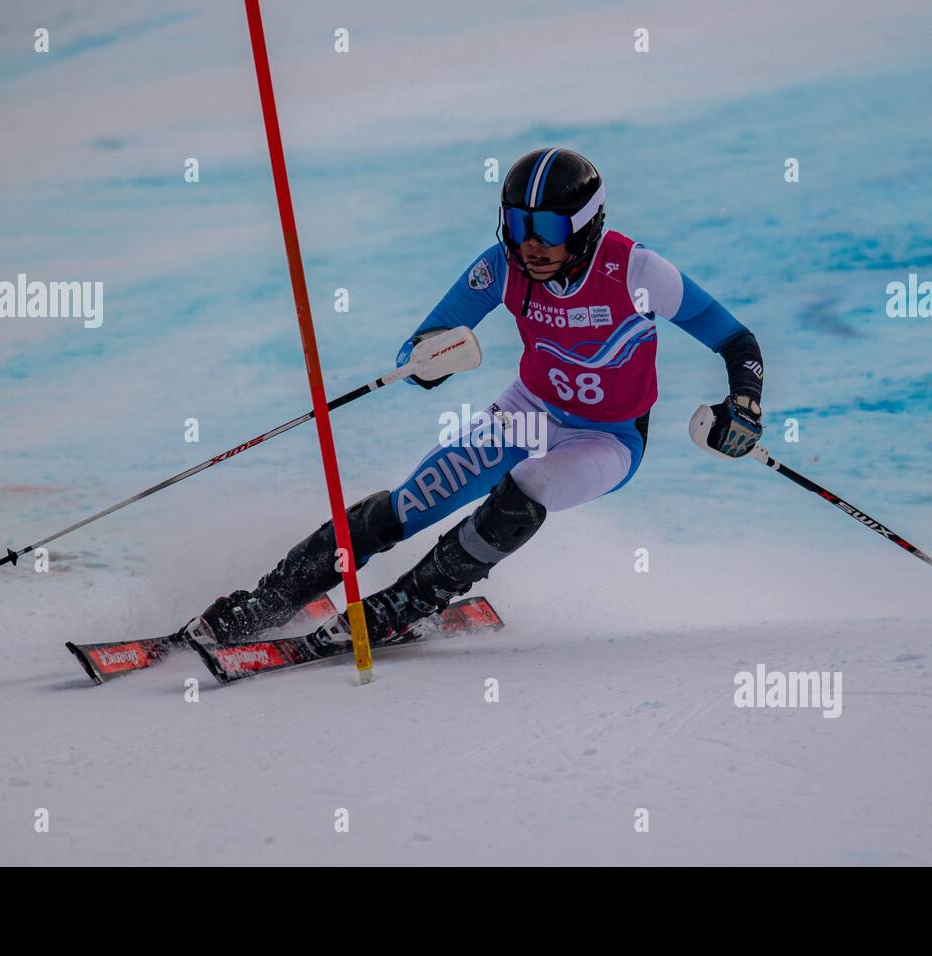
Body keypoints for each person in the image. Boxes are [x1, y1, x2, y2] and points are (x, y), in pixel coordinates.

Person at [196, 147, 765, 644]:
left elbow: (736, 339)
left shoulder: (639, 271)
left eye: (549, 227)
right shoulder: (501, 269)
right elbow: (421, 343)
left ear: (586, 226)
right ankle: (269, 599)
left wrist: (744, 404)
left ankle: (404, 604)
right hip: (528, 412)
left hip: (609, 438)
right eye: (517, 225)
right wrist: (426, 364)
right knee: (409, 504)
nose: (532, 244)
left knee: (528, 488)